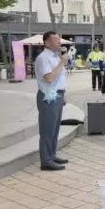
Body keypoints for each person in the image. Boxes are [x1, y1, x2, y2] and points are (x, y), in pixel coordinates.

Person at [34, 31, 69, 171]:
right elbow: (49, 78)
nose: (59, 42)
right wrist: (62, 62)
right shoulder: (43, 58)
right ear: (47, 42)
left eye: (59, 40)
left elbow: (60, 78)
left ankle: (52, 155)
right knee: (47, 130)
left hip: (57, 95)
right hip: (48, 97)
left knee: (54, 129)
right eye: (55, 40)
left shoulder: (55, 57)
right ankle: (46, 160)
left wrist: (63, 94)